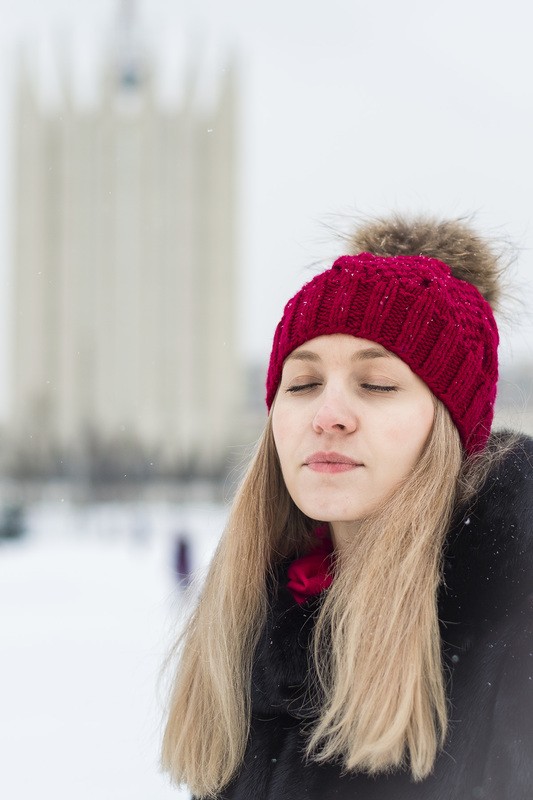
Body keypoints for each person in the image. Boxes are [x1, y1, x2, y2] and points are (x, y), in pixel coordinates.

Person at [161, 214, 533, 799]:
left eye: (377, 385)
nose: (327, 414)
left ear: (451, 430)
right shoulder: (256, 623)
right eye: (302, 384)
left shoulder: (513, 631)